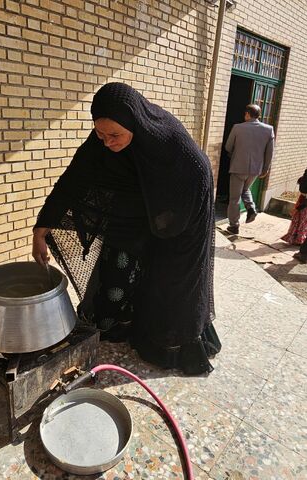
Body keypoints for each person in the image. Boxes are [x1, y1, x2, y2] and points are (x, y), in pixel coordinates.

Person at [32, 82, 221, 375]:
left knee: (168, 284)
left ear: (135, 123)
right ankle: (122, 323)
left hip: (181, 221)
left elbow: (198, 175)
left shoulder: (170, 142)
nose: (107, 142)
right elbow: (73, 180)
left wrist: (163, 227)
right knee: (119, 271)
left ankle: (169, 346)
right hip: (136, 216)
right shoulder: (104, 139)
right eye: (100, 134)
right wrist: (41, 229)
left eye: (115, 135)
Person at [225, 104, 275, 235]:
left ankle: (234, 225)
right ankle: (251, 208)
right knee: (245, 189)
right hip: (255, 170)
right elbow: (270, 153)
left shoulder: (238, 128)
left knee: (234, 198)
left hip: (238, 167)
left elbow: (228, 147)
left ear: (247, 114)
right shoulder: (269, 130)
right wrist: (265, 169)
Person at [282, 168, 307, 262]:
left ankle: (300, 244)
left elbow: (303, 188)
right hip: (303, 201)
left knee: (301, 221)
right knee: (302, 222)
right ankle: (299, 240)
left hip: (304, 203)